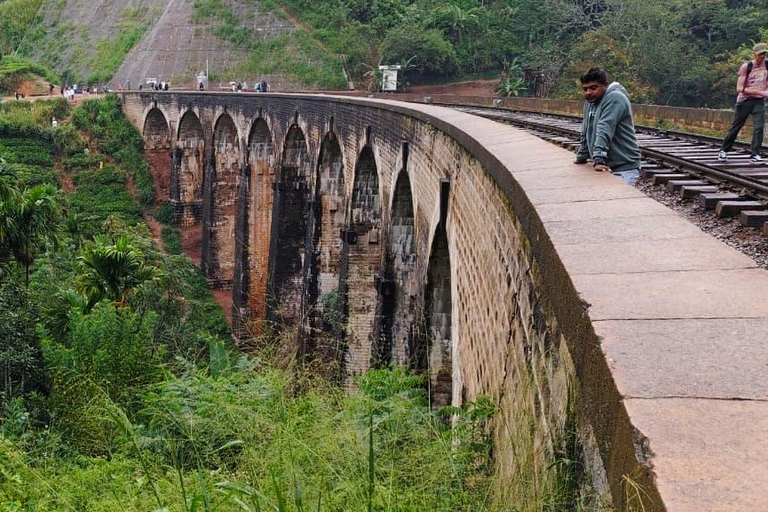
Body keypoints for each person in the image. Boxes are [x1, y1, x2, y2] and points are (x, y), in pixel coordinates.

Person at [574, 67, 641, 184]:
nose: (588, 92)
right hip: (607, 165)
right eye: (585, 89)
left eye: (593, 88)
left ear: (605, 85)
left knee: (618, 201)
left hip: (624, 168)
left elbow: (605, 128)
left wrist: (599, 159)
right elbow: (586, 129)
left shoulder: (615, 98)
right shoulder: (591, 101)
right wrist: (582, 156)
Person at [718, 42, 768, 163]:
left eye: (764, 54)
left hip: (758, 102)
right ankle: (723, 150)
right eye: (760, 54)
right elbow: (739, 88)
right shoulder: (747, 66)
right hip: (744, 101)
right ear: (754, 54)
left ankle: (755, 154)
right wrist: (761, 92)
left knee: (759, 127)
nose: (762, 57)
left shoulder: (767, 65)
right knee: (737, 126)